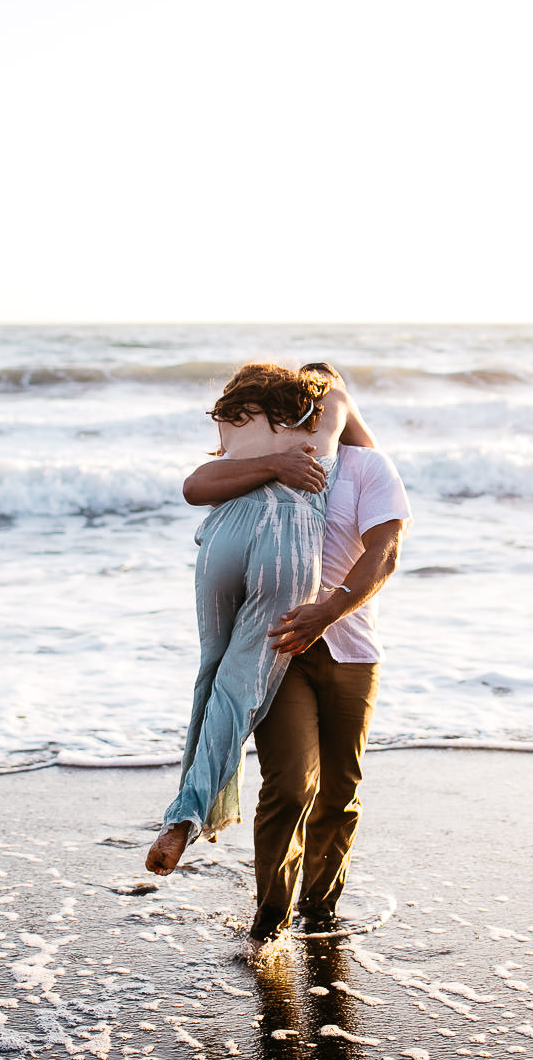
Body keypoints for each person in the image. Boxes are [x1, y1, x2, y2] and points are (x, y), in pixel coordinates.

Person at [177, 362, 411, 947]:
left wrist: (329, 609)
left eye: (310, 406)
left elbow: (386, 550)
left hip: (351, 647)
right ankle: (270, 921)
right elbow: (197, 487)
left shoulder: (367, 468)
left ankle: (321, 909)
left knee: (339, 787)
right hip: (279, 648)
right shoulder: (262, 471)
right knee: (289, 784)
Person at [145, 363, 377, 879]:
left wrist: (267, 458)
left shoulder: (235, 414)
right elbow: (369, 453)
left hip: (223, 536)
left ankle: (191, 803)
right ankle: (186, 814)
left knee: (211, 674)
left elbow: (195, 486)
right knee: (241, 686)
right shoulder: (327, 409)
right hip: (286, 535)